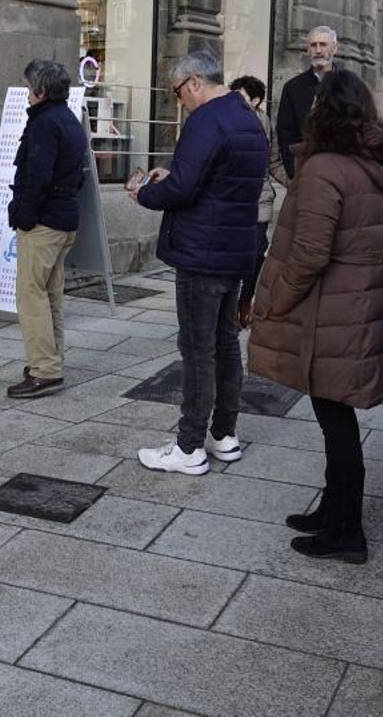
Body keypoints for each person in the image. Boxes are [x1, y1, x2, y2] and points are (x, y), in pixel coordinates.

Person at [249, 70, 383, 563]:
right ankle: (333, 511)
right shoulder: (369, 164)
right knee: (334, 418)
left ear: (324, 109)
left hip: (329, 309)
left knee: (336, 421)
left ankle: (347, 532)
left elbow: (309, 253)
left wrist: (275, 302)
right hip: (353, 303)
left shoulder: (325, 168)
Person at [132, 51, 268, 475]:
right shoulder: (249, 118)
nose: (180, 101)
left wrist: (144, 193)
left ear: (193, 81)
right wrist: (170, 176)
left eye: (178, 92)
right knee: (225, 344)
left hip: (202, 250)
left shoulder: (206, 120)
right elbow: (216, 181)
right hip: (236, 248)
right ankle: (224, 435)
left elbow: (183, 189)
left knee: (196, 349)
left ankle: (189, 446)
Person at [5, 59, 88, 399]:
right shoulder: (68, 119)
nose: (26, 93)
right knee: (50, 294)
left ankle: (44, 370)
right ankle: (51, 362)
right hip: (63, 218)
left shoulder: (44, 122)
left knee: (31, 295)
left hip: (44, 223)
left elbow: (38, 177)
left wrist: (25, 216)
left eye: (28, 87)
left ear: (40, 90)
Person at [228, 74, 284, 328]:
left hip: (260, 199)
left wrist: (297, 183)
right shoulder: (226, 120)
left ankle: (245, 300)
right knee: (231, 254)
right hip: (232, 198)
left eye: (241, 97)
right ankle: (230, 304)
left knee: (255, 253)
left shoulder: (265, 122)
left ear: (256, 100)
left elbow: (274, 162)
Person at [274, 25, 338, 178]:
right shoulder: (293, 87)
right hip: (306, 171)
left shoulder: (349, 84)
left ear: (334, 48)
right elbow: (285, 132)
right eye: (313, 45)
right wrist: (293, 169)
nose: (318, 50)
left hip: (342, 169)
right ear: (307, 50)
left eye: (323, 44)